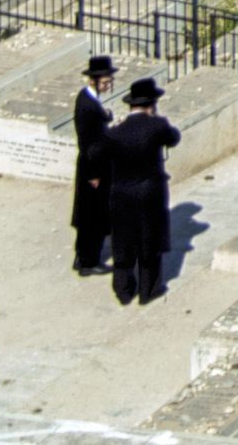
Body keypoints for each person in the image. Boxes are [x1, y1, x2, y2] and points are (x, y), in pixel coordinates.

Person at [100, 76, 183, 305]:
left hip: (122, 194)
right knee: (150, 241)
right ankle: (149, 290)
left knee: (123, 242)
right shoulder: (157, 125)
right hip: (150, 193)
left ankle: (123, 290)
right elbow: (174, 138)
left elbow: (102, 155)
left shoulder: (115, 132)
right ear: (152, 104)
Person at [68, 56, 116, 276]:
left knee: (88, 215)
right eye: (105, 82)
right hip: (93, 168)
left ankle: (82, 256)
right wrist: (94, 174)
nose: (108, 85)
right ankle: (89, 261)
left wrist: (106, 117)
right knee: (94, 217)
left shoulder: (88, 99)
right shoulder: (87, 105)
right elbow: (88, 142)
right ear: (93, 81)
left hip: (92, 165)